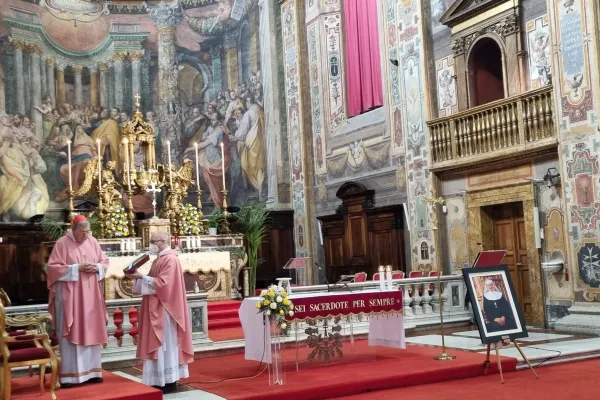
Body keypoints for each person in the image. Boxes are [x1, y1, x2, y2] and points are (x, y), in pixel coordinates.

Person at [127, 231, 194, 393]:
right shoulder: (160, 259)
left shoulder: (170, 259)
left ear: (162, 242)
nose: (150, 244)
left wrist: (141, 277)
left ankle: (168, 380)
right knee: (160, 344)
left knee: (165, 343)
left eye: (152, 241)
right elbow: (155, 281)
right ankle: (159, 379)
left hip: (166, 309)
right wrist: (137, 277)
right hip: (157, 306)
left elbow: (164, 285)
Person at [47, 215, 109, 388]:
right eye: (82, 232)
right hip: (71, 296)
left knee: (92, 329)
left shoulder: (93, 241)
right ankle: (71, 376)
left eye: (88, 232)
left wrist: (96, 267)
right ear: (73, 230)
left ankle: (93, 373)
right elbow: (53, 269)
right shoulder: (62, 243)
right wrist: (76, 268)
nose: (86, 236)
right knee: (72, 330)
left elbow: (104, 262)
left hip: (91, 297)